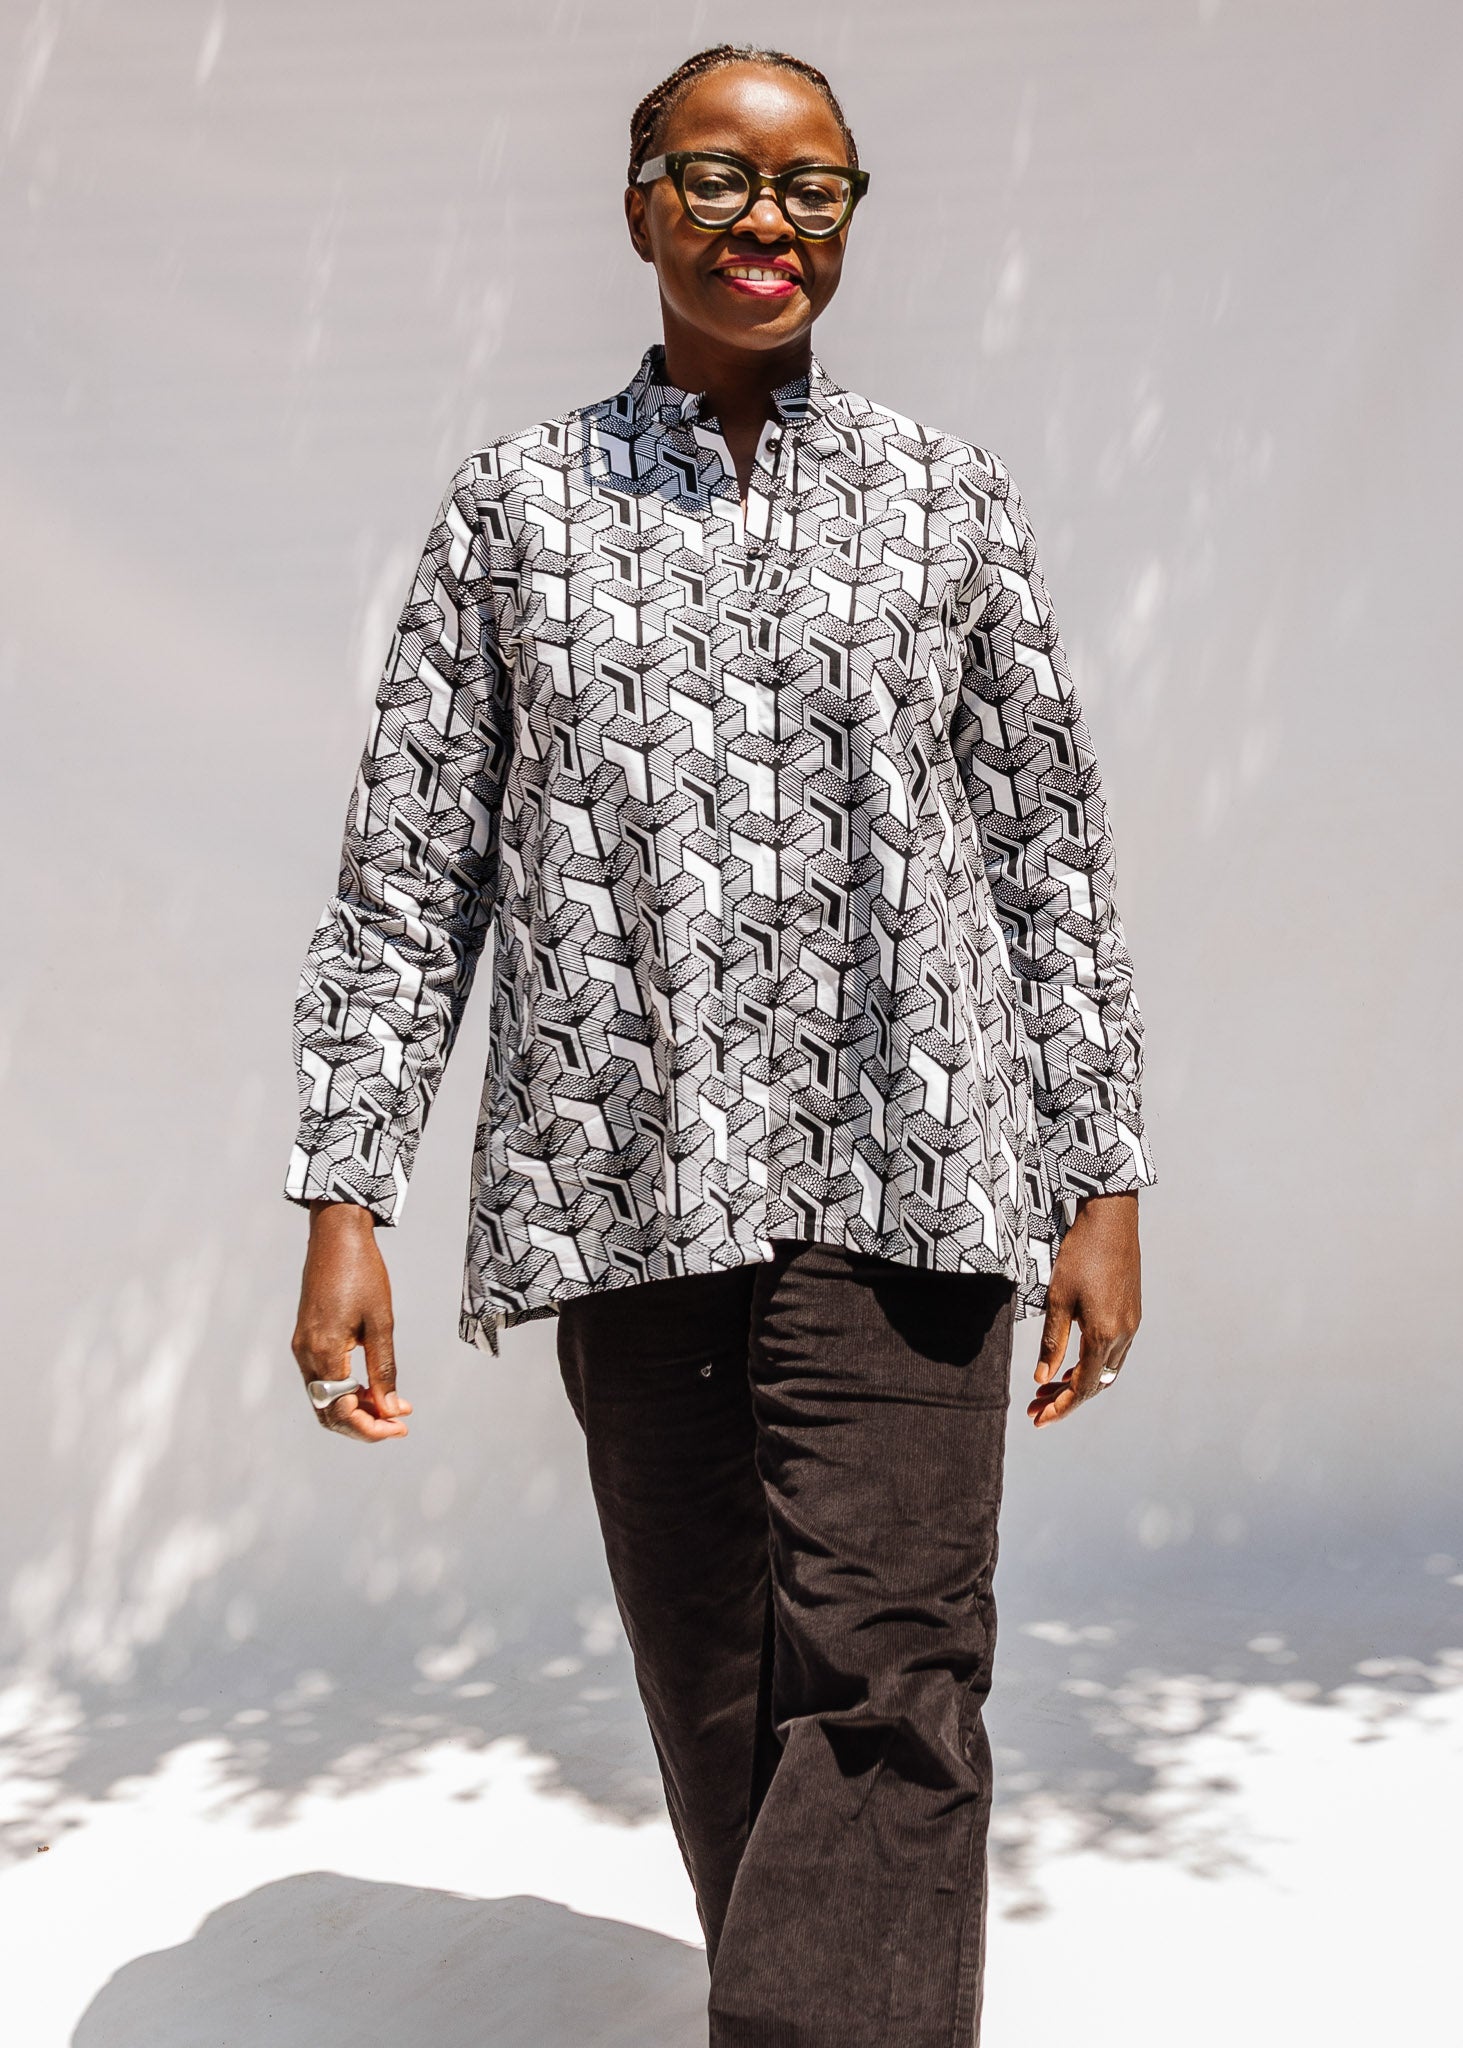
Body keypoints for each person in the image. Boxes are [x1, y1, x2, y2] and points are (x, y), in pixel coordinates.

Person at [286, 42, 1153, 2045]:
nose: (770, 220)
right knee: (719, 1692)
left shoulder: (945, 501)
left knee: (897, 1676)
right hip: (623, 1179)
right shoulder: (517, 512)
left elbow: (1049, 849)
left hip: (913, 1168)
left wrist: (1101, 1168)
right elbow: (410, 868)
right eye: (721, 176)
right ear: (638, 205)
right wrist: (346, 1190)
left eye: (813, 186)